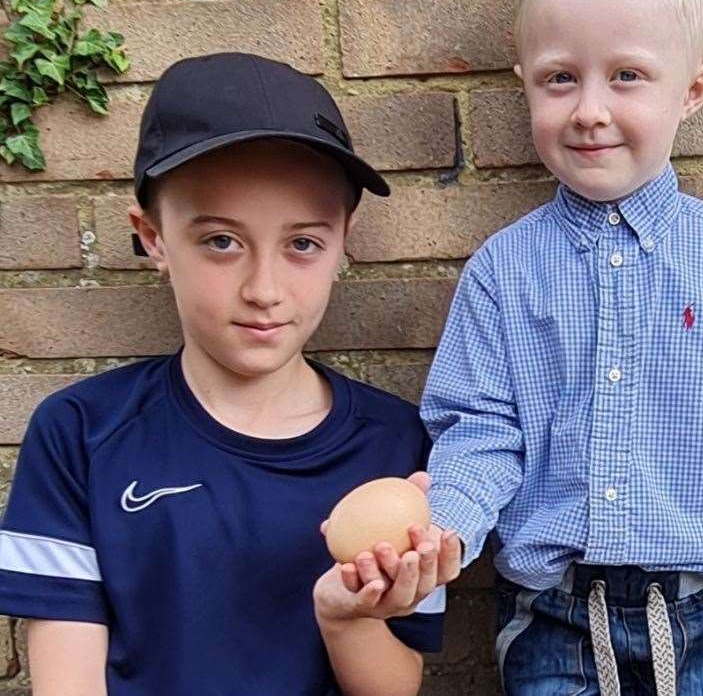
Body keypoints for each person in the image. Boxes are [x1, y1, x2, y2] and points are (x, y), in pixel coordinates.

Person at [419, 0, 703, 695]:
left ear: (692, 88)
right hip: (551, 618)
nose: (588, 109)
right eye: (558, 78)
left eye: (625, 75)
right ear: (525, 84)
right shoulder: (501, 273)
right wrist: (443, 527)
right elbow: (479, 428)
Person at [0, 52, 460, 695]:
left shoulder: (397, 448)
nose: (264, 290)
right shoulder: (80, 433)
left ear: (343, 239)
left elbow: (393, 688)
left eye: (303, 243)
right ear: (153, 236)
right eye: (221, 241)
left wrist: (343, 617)